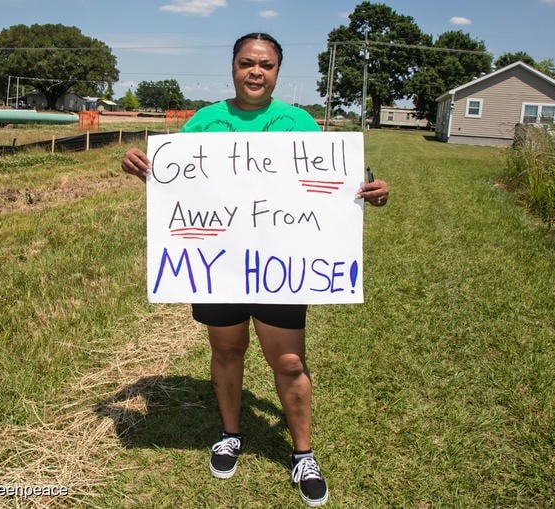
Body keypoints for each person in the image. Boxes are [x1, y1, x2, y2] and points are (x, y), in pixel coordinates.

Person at [122, 32, 389, 508]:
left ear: (278, 71)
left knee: (288, 361)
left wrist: (369, 189)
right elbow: (176, 181)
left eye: (265, 65)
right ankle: (230, 434)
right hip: (219, 264)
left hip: (281, 263)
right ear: (232, 66)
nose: (255, 72)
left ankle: (302, 453)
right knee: (228, 352)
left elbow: (332, 182)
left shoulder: (298, 122)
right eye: (247, 62)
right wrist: (143, 166)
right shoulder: (205, 121)